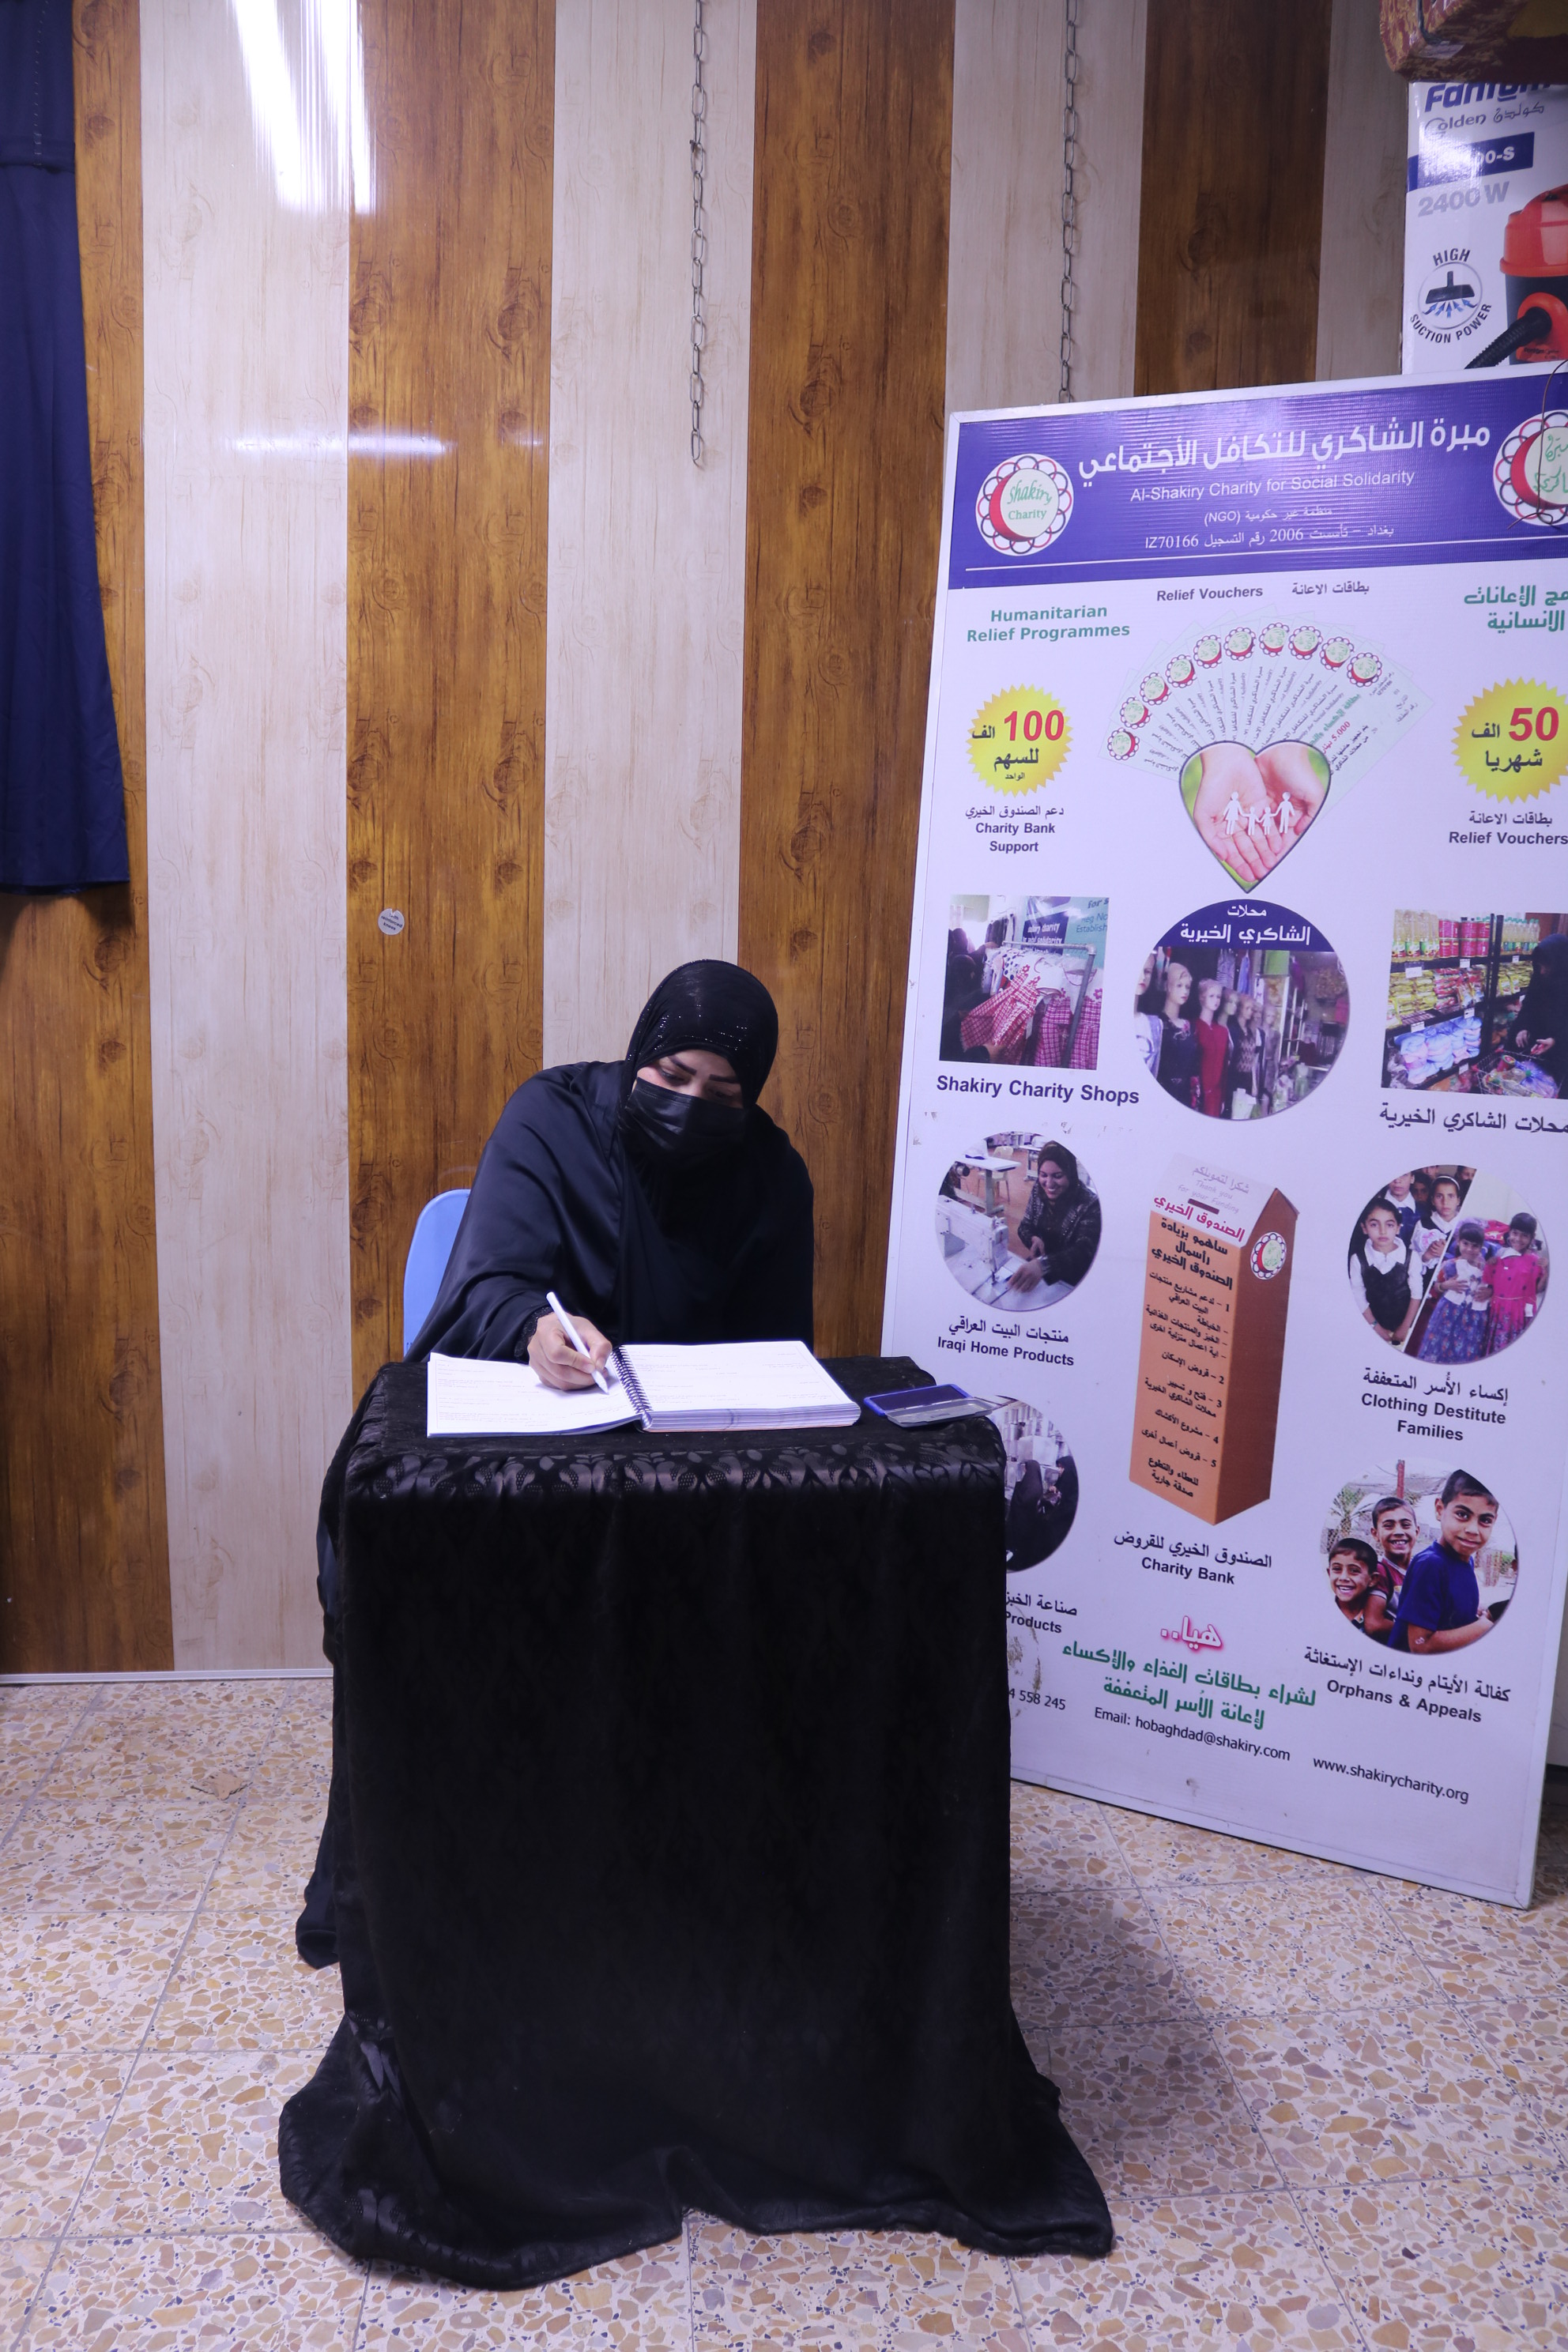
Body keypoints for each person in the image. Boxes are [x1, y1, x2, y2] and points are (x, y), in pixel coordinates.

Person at [296, 960, 814, 1964]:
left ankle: (685, 1865)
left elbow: (774, 1354)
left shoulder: (769, 1173)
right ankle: (461, 1873)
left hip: (680, 1468)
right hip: (529, 1441)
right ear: (638, 1054)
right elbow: (486, 1283)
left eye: (722, 1093)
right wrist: (534, 1331)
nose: (690, 1105)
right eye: (671, 1076)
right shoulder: (553, 1118)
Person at [1389, 1471, 1501, 1654]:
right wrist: (1483, 1627)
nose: (1473, 1530)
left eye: (1485, 1520)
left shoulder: (1466, 1561)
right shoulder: (1431, 1565)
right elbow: (1420, 1645)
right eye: (1462, 1515)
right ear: (1440, 1509)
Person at [1016, 1143, 1102, 1291]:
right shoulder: (1038, 1189)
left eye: (1058, 1176)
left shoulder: (1089, 1204)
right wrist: (1033, 1239)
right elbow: (1025, 1226)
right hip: (1040, 1269)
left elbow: (1083, 1252)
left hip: (1072, 1280)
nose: (1049, 1184)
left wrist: (1044, 1265)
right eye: (1043, 1175)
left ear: (1071, 1174)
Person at [1416, 1219, 1493, 1364]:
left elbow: (1497, 1288)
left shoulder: (1488, 1269)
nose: (1469, 1249)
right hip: (1447, 1313)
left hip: (1474, 1318)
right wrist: (1446, 1285)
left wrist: (1490, 1292)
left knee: (1465, 1352)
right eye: (1466, 1244)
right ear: (1458, 1242)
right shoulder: (1449, 1265)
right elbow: (1436, 1287)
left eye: (1475, 1246)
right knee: (1439, 1348)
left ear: (1481, 1247)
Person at [1348, 1196, 1420, 1348]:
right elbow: (1358, 1295)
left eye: (1389, 1225)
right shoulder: (1358, 1260)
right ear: (1364, 1228)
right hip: (1372, 1326)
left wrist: (1405, 1327)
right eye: (1374, 1224)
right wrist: (1376, 1327)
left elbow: (1416, 1293)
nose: (1382, 1231)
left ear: (1398, 1228)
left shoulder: (1411, 1257)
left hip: (1406, 1326)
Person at [1508, 931, 1568, 1094]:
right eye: (1540, 966)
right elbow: (1529, 1006)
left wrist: (1555, 1041)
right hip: (1535, 1041)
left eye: (1547, 967)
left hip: (1560, 1049)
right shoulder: (1539, 978)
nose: (1542, 971)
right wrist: (1523, 1027)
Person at [1487, 1212, 1544, 1353]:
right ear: (1509, 1232)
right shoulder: (1500, 1254)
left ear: (1532, 1237)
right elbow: (1493, 1282)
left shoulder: (1534, 1261)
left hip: (1518, 1312)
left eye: (1524, 1235)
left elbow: (1537, 1289)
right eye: (1515, 1233)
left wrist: (1546, 1273)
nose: (1518, 1239)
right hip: (1498, 1309)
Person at [1327, 1536, 1393, 1644]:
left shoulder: (1383, 1625)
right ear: (1329, 1573)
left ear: (1372, 1579)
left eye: (1354, 1571)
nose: (1343, 1577)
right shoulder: (1322, 1614)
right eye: (1337, 1569)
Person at [1155, 962, 1200, 1108]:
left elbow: (1194, 1069)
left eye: (1187, 987)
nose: (1185, 991)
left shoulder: (1189, 1027)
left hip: (1184, 1098)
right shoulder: (1157, 1024)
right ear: (1168, 986)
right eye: (1179, 985)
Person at [1368, 1494, 1419, 1612]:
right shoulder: (1378, 1573)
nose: (1398, 1532)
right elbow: (1374, 1621)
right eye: (1388, 1526)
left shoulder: (1424, 1570)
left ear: (1416, 1531)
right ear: (1375, 1534)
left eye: (1405, 1525)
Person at [1193, 977, 1231, 1117]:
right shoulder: (1194, 1027)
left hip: (1216, 1096)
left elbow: (1224, 1069)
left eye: (1218, 997)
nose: (1216, 1000)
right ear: (1202, 997)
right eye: (1212, 996)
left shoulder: (1222, 1032)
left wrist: (1223, 1099)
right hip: (1198, 1095)